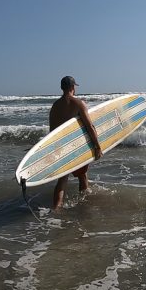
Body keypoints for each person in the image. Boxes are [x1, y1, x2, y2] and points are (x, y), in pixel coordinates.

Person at [51, 76, 103, 209]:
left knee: (62, 180)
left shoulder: (55, 106)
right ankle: (84, 205)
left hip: (60, 148)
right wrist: (97, 146)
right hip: (75, 147)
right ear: (72, 87)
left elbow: (51, 132)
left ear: (62, 88)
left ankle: (56, 209)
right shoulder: (78, 103)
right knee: (82, 176)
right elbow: (90, 126)